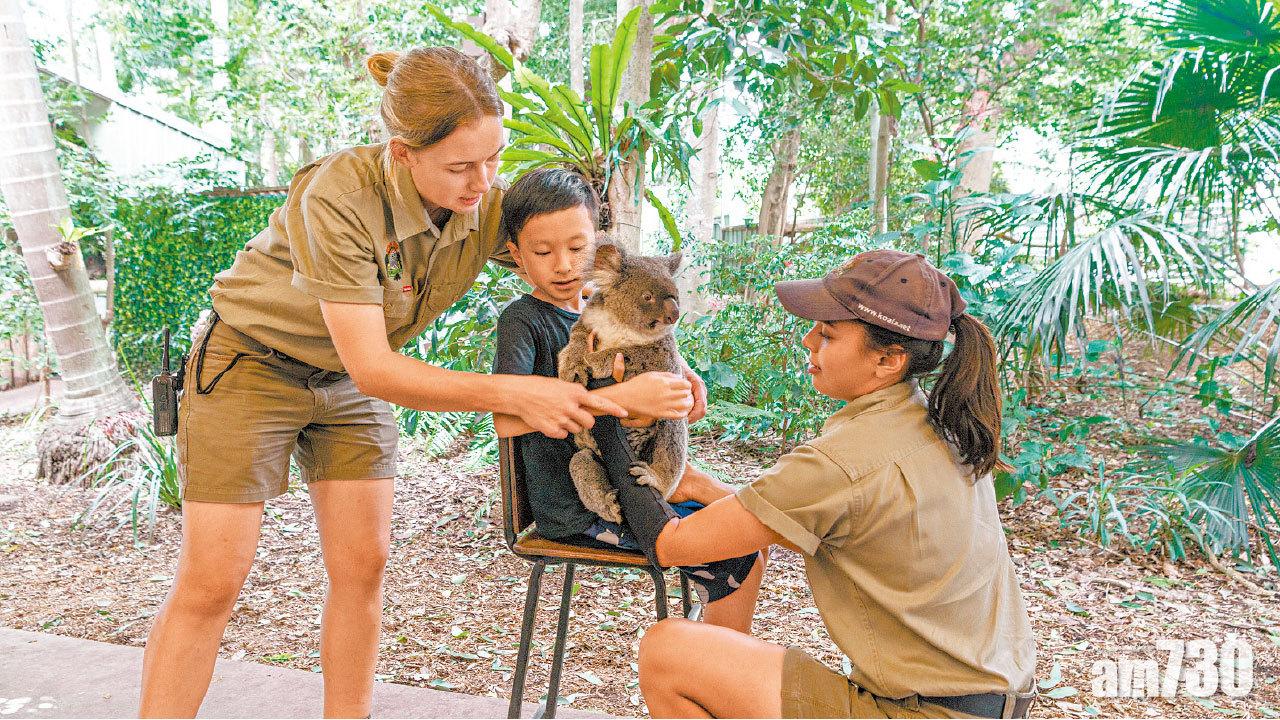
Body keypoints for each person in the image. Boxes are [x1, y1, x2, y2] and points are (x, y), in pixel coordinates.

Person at [139, 48, 707, 718]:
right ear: (402, 154)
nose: (483, 181)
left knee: (363, 568)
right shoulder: (340, 196)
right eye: (462, 166)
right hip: (253, 364)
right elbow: (374, 367)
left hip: (348, 383)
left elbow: (587, 265)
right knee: (213, 581)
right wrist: (515, 393)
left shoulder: (483, 206)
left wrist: (667, 353)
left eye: (493, 157)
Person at [635, 250, 1038, 718]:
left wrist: (615, 418)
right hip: (987, 702)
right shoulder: (934, 423)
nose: (808, 341)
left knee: (669, 652)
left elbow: (672, 546)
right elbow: (789, 516)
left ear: (888, 359)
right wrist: (702, 485)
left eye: (827, 334)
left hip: (921, 712)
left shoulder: (842, 462)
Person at [489, 168, 763, 629]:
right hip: (578, 502)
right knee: (736, 555)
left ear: (599, 248)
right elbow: (505, 422)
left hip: (631, 474)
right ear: (516, 254)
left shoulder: (599, 309)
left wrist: (681, 377)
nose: (564, 265)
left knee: (747, 545)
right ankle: (715, 674)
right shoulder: (523, 320)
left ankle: (719, 672)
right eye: (543, 251)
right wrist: (623, 397)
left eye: (578, 249)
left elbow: (645, 347)